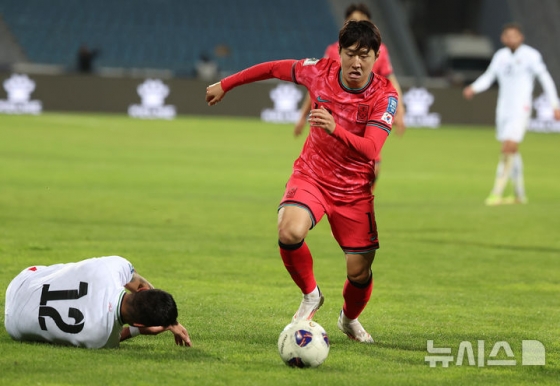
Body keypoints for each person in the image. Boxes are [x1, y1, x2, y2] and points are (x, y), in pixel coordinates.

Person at [206, 20, 398, 343]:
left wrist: (335, 128)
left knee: (359, 272)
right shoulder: (318, 71)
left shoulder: (384, 95)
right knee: (289, 229)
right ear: (339, 53)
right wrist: (227, 83)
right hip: (313, 175)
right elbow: (273, 69)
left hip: (354, 191)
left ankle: (349, 319)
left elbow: (372, 148)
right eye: (350, 53)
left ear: (376, 57)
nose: (356, 62)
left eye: (365, 55)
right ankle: (311, 294)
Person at [294, 3, 405, 192]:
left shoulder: (379, 51)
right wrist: (302, 116)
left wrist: (399, 111)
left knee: (371, 167)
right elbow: (316, 87)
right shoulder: (333, 50)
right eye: (353, 20)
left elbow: (391, 82)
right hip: (334, 120)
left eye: (362, 20)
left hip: (364, 119)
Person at [463, 23, 560, 205]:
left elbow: (545, 79)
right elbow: (489, 76)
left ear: (521, 37)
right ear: (502, 38)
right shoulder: (500, 56)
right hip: (503, 109)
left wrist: (555, 104)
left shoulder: (531, 55)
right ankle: (519, 194)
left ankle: (496, 192)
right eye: (507, 35)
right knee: (512, 151)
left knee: (507, 148)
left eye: (514, 35)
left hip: (520, 108)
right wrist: (473, 88)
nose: (511, 39)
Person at [4, 255, 192, 348]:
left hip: (21, 282)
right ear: (140, 324)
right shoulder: (101, 339)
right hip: (14, 326)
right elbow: (119, 335)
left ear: (140, 291)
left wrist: (166, 316)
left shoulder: (113, 267)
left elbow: (142, 284)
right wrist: (144, 328)